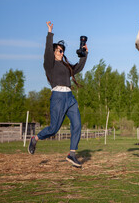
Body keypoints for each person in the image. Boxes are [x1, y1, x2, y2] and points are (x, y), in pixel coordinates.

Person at [28, 21, 88, 168]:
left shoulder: (66, 67)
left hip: (70, 98)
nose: (62, 53)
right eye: (59, 51)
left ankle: (71, 154)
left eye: (62, 51)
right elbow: (47, 51)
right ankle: (35, 138)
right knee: (54, 128)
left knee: (77, 124)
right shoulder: (50, 65)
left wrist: (84, 54)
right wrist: (50, 32)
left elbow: (78, 67)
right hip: (58, 98)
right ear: (54, 52)